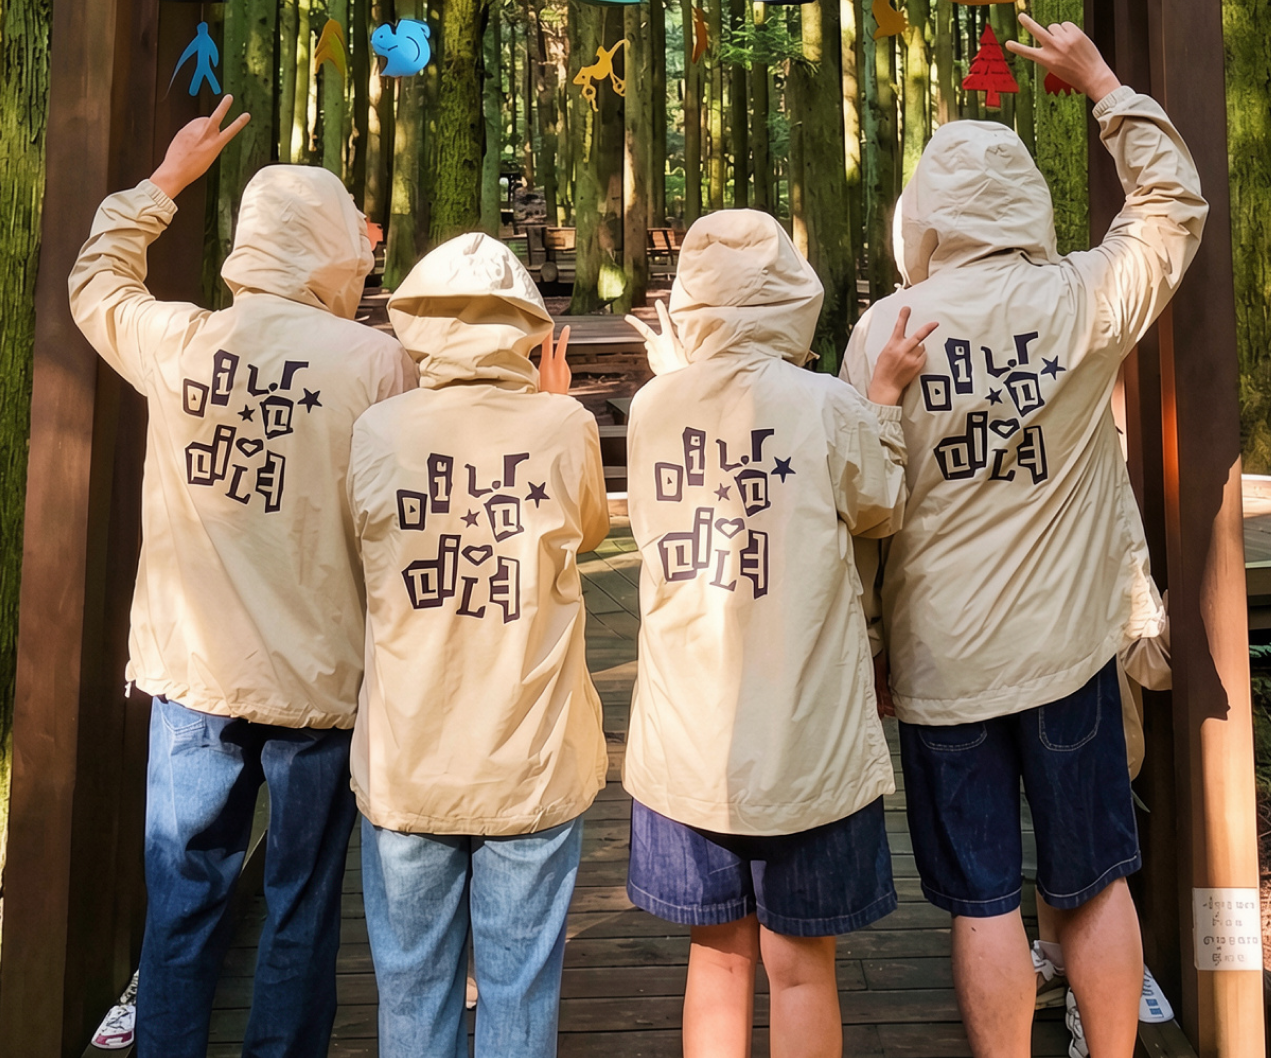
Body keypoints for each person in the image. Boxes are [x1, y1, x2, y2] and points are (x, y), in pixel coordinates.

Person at [842, 17, 1207, 1058]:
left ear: (924, 216)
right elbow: (1172, 208)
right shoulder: (1077, 299)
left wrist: (866, 640)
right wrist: (1104, 87)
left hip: (942, 664)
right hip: (1068, 654)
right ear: (1026, 203)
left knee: (983, 900)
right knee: (1093, 878)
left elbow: (863, 499)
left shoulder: (888, 330)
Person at [69, 99, 416, 1058]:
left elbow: (95, 283)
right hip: (321, 680)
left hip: (193, 674)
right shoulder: (381, 364)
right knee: (301, 901)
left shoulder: (181, 343)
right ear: (329, 247)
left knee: (182, 897)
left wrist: (166, 181)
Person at [621, 209, 935, 1058]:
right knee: (801, 966)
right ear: (793, 293)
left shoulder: (653, 405)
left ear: (691, 303)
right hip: (808, 737)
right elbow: (880, 505)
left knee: (716, 961)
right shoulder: (829, 406)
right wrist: (880, 403)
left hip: (687, 740)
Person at [346, 233, 607, 1058]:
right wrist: (548, 401)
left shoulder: (378, 430)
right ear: (525, 326)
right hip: (527, 759)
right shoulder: (564, 425)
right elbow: (590, 529)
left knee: (411, 993)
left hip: (406, 762)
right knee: (519, 988)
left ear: (416, 322)